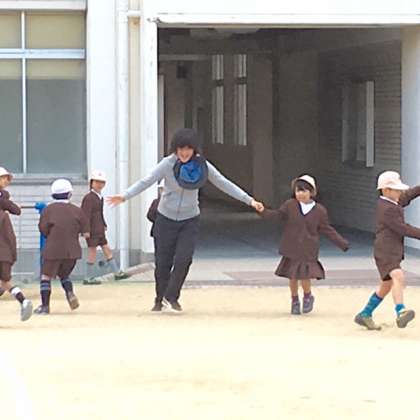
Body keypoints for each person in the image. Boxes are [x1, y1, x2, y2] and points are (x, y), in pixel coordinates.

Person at [107, 128, 264, 312]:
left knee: (184, 259)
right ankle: (159, 299)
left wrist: (249, 200)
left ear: (194, 149)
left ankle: (171, 296)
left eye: (188, 149)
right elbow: (146, 181)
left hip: (189, 219)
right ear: (175, 148)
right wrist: (125, 196)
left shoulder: (202, 165)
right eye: (181, 149)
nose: (184, 153)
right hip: (165, 219)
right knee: (163, 263)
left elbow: (223, 182)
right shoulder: (167, 164)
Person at [257, 175, 349, 315]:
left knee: (305, 276)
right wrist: (263, 211)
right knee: (292, 277)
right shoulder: (290, 205)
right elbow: (277, 215)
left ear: (312, 192)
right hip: (291, 247)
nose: (300, 194)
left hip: (308, 249)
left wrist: (342, 243)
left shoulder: (319, 211)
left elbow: (326, 229)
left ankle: (307, 296)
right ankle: (294, 300)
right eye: (298, 191)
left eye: (304, 190)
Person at [355, 171, 420, 330]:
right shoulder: (387, 208)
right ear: (385, 190)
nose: (400, 193)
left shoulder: (392, 201)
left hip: (391, 250)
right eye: (397, 190)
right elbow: (402, 228)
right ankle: (400, 311)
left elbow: (407, 196)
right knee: (398, 275)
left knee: (386, 285)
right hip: (385, 250)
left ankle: (365, 313)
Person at [34, 179, 89, 315]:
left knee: (46, 276)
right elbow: (86, 233)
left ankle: (45, 306)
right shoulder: (77, 211)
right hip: (72, 251)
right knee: (64, 274)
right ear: (70, 194)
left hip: (53, 249)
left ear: (53, 194)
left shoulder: (48, 210)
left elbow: (43, 229)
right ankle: (70, 293)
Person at [81, 170, 129, 285]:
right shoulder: (89, 198)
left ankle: (116, 272)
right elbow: (85, 215)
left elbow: (100, 213)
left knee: (106, 248)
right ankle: (88, 277)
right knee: (92, 251)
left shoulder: (100, 197)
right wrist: (85, 230)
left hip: (99, 229)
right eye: (97, 182)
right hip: (92, 230)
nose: (99, 185)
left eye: (102, 182)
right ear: (91, 183)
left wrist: (104, 224)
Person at [0, 167, 33, 321]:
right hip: (5, 253)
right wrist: (12, 255)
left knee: (5, 283)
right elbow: (11, 237)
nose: (6, 181)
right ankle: (23, 300)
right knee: (6, 282)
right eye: (3, 178)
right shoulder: (4, 216)